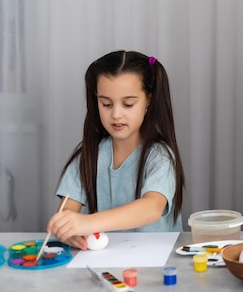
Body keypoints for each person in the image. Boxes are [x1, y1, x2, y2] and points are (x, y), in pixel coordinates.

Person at [46, 50, 186, 250]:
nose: (116, 114)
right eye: (106, 104)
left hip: (155, 264)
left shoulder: (160, 156)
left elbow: (151, 207)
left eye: (128, 104)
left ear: (149, 100)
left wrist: (88, 222)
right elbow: (67, 209)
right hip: (103, 261)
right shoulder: (89, 155)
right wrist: (66, 228)